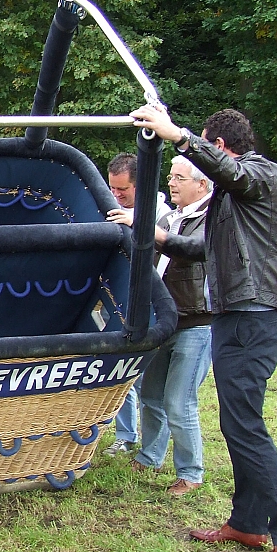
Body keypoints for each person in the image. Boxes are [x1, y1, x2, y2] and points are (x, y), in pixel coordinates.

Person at [130, 104, 277, 552]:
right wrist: (157, 237)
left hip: (254, 314)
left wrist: (178, 136)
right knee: (237, 422)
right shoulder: (236, 200)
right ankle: (248, 523)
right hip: (235, 315)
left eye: (205, 146)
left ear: (218, 145)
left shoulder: (262, 174)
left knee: (245, 424)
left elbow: (231, 172)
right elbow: (208, 250)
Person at [112, 158, 213, 496]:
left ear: (201, 184)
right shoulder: (169, 219)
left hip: (196, 322)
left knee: (179, 402)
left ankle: (191, 472)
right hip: (164, 321)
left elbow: (191, 250)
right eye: (170, 177)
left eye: (180, 178)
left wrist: (142, 226)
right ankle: (150, 456)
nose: (172, 183)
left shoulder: (211, 219)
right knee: (151, 394)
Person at [102, 153, 172, 456]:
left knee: (149, 383)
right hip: (118, 300)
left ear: (139, 185)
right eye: (112, 188)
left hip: (151, 303)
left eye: (123, 189)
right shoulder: (106, 208)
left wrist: (138, 225)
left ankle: (153, 449)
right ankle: (125, 435)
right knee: (121, 372)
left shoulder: (163, 216)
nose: (116, 195)